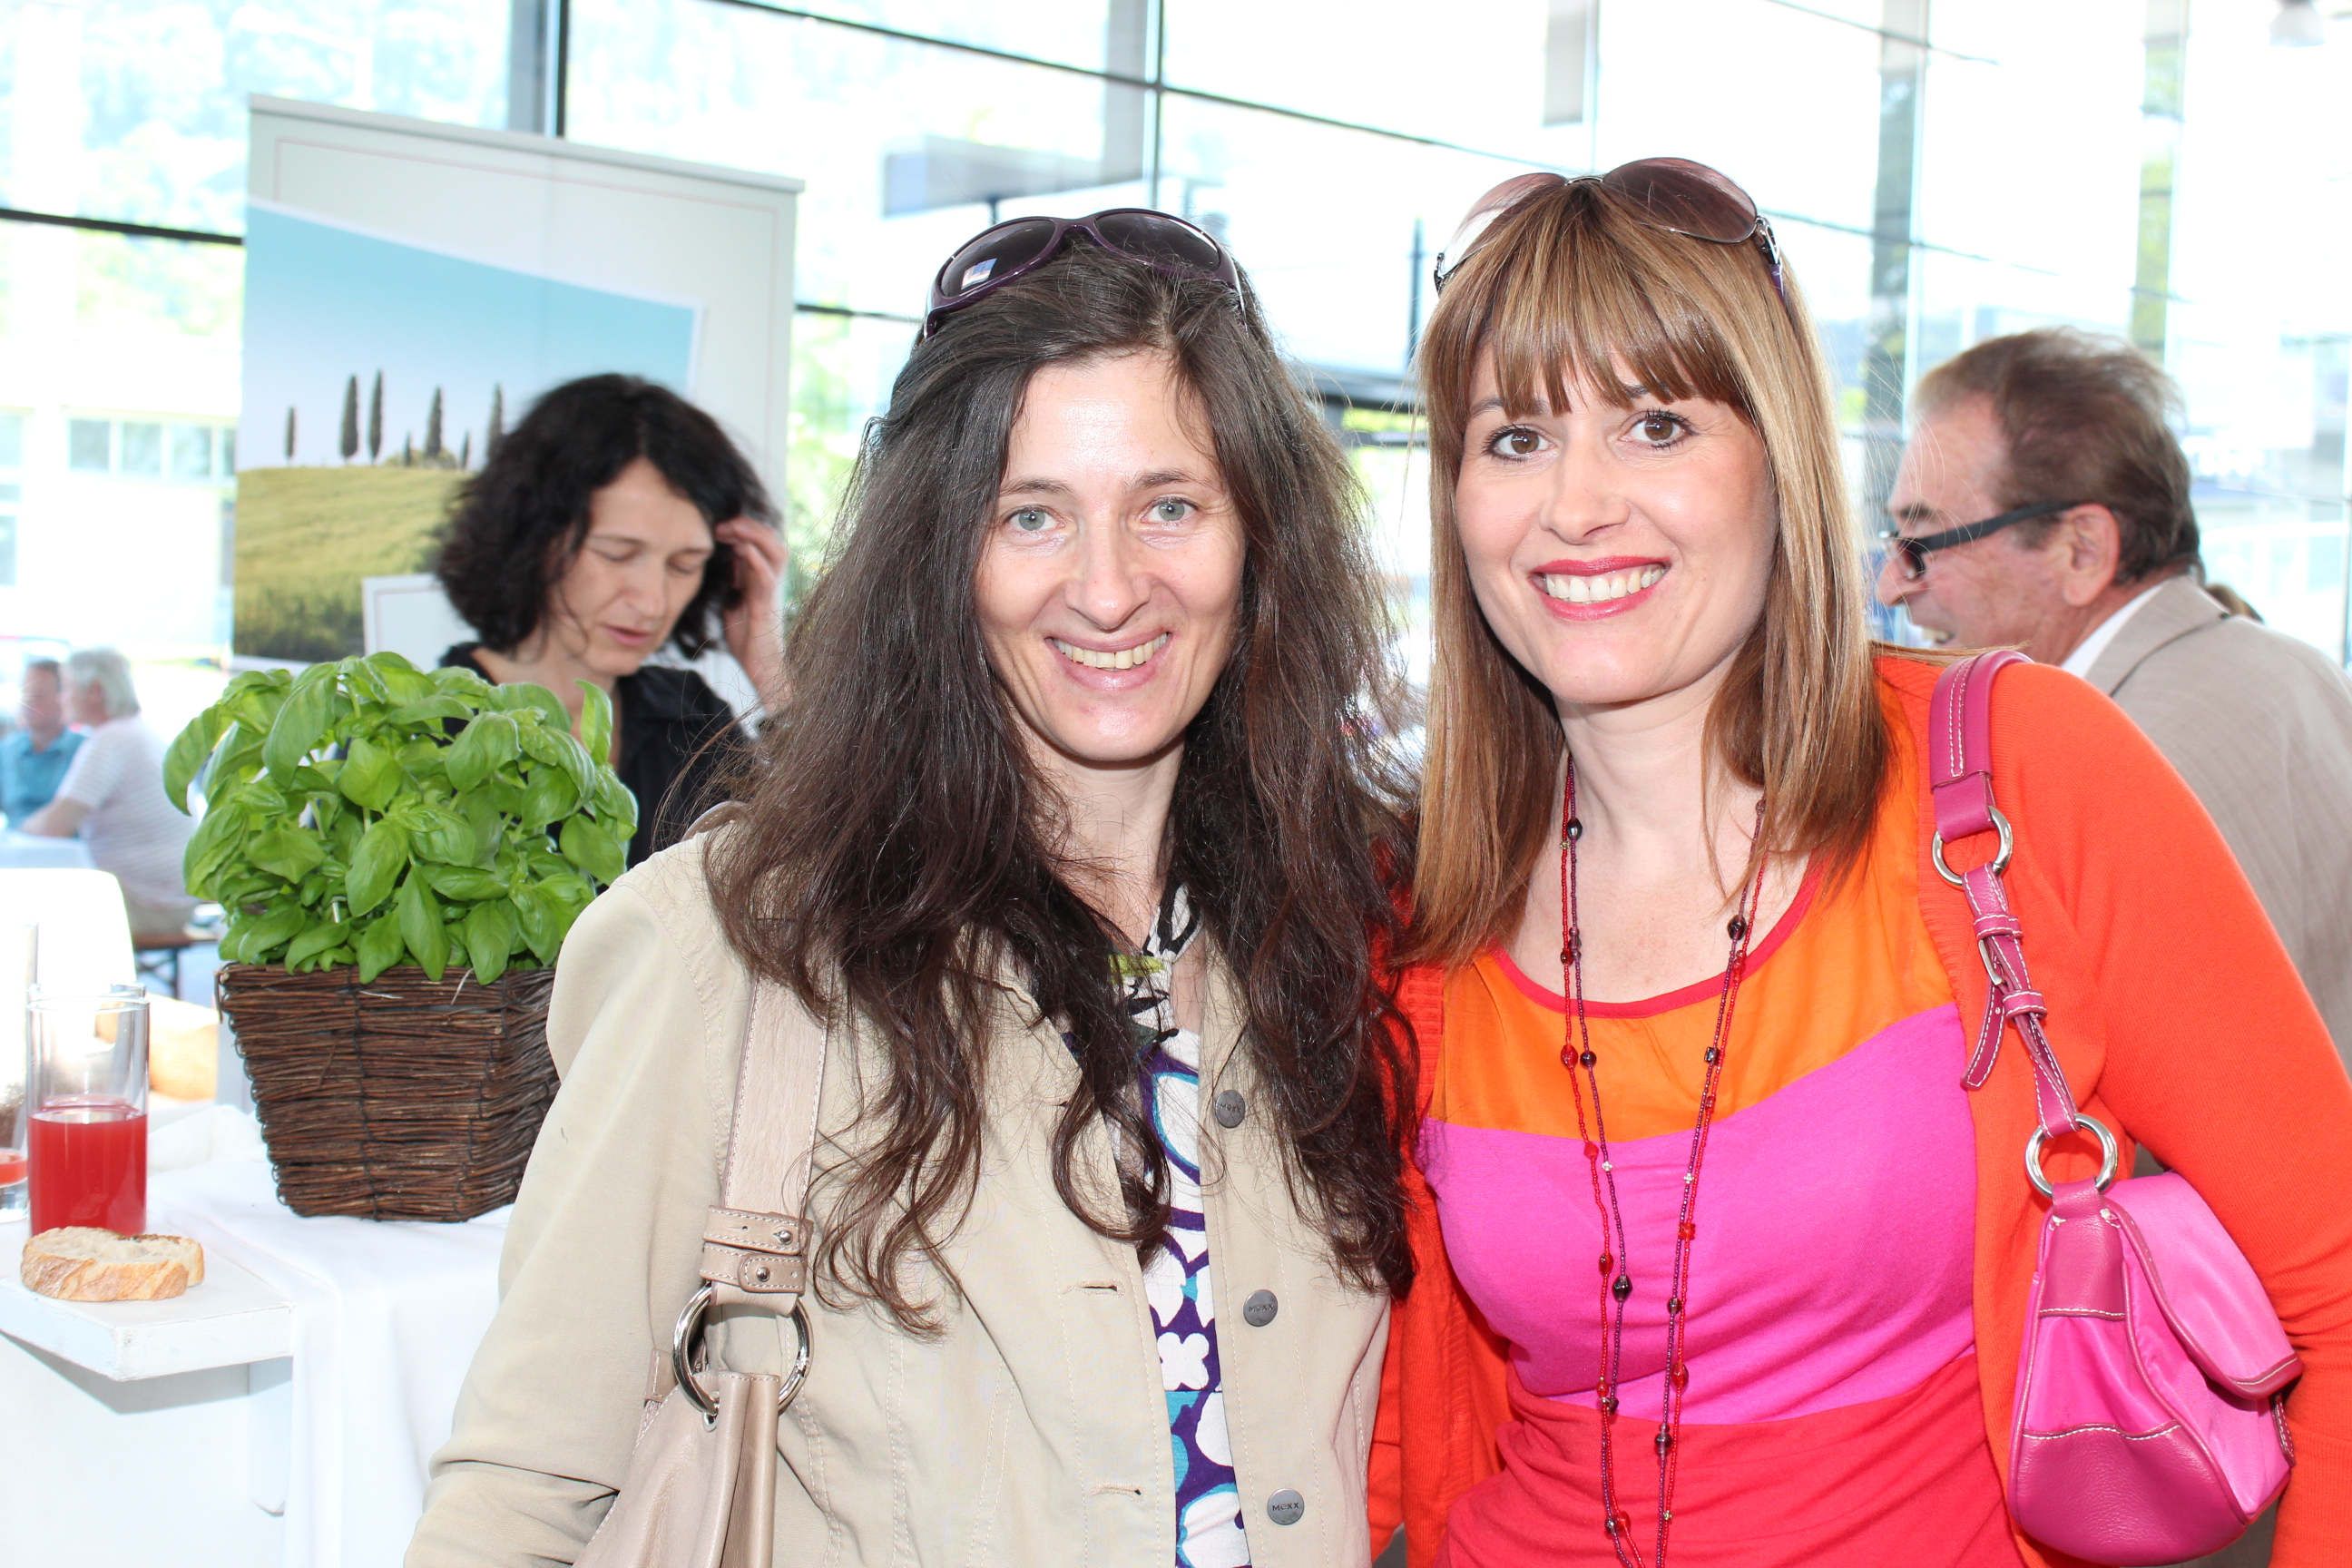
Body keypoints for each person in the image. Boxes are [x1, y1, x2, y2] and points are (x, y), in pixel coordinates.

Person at [1369, 162, 2352, 1568]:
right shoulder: (1420, 913)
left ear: (1778, 461)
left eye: (1656, 424)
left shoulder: (2009, 776)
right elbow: (1381, 1430)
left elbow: (2338, 1292)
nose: (1575, 505)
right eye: (1514, 437)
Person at [409, 214, 1416, 1565]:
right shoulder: (732, 948)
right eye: (1031, 514)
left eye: (1169, 506)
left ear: (1261, 538)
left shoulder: (1345, 931)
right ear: (942, 551)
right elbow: (525, 1490)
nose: (1108, 588)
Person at [1880, 328, 2352, 1066]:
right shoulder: (2302, 671)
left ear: (2082, 551)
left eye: (1922, 544)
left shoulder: (2105, 763)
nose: (1891, 588)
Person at [434, 373, 789, 867]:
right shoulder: (422, 729)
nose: (652, 602)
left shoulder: (690, 720)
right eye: (617, 554)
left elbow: (819, 867)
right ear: (533, 540)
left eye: (684, 565)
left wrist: (769, 666)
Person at [22, 649, 196, 933]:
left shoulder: (111, 740)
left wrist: (20, 830)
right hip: (171, 900)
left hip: (147, 906)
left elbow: (54, 826)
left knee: (24, 908)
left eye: (66, 688)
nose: (61, 698)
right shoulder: (134, 732)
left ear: (94, 691)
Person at [1, 657, 83, 825]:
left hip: (68, 841)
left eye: (38, 695)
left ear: (63, 697)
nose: (28, 701)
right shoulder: (6, 752)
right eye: (25, 693)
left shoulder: (85, 750)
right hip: (15, 840)